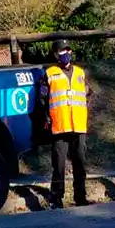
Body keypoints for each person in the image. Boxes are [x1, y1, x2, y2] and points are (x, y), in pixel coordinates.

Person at [38, 39, 92, 209]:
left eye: (68, 50)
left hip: (78, 125)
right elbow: (42, 99)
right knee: (59, 164)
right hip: (59, 125)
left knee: (80, 163)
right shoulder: (49, 74)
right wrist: (46, 118)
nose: (66, 53)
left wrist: (84, 112)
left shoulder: (80, 73)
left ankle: (80, 196)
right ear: (56, 54)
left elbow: (87, 94)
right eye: (62, 51)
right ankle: (56, 197)